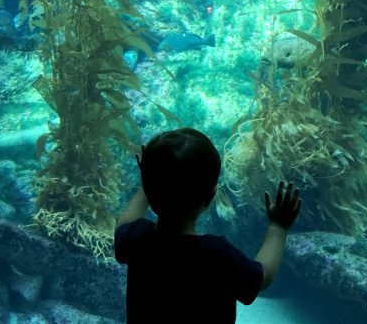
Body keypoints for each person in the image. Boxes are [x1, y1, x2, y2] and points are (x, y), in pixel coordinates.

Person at [114, 127, 302, 323]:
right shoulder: (216, 254)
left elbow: (124, 222)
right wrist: (278, 228)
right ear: (211, 196)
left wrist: (148, 184)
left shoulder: (137, 240)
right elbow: (262, 277)